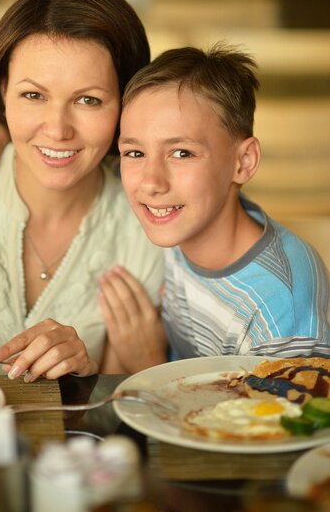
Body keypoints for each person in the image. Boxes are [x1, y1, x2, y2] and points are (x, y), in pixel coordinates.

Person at [0, 0, 166, 379]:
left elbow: (114, 417)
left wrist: (88, 377)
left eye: (89, 100)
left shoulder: (148, 228)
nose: (58, 129)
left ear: (126, 104)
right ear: (3, 90)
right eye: (33, 95)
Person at [118, 44, 330, 358]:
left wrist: (148, 363)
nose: (151, 182)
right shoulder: (176, 224)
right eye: (135, 153)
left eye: (182, 153)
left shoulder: (279, 306)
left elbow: (274, 408)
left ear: (243, 162)